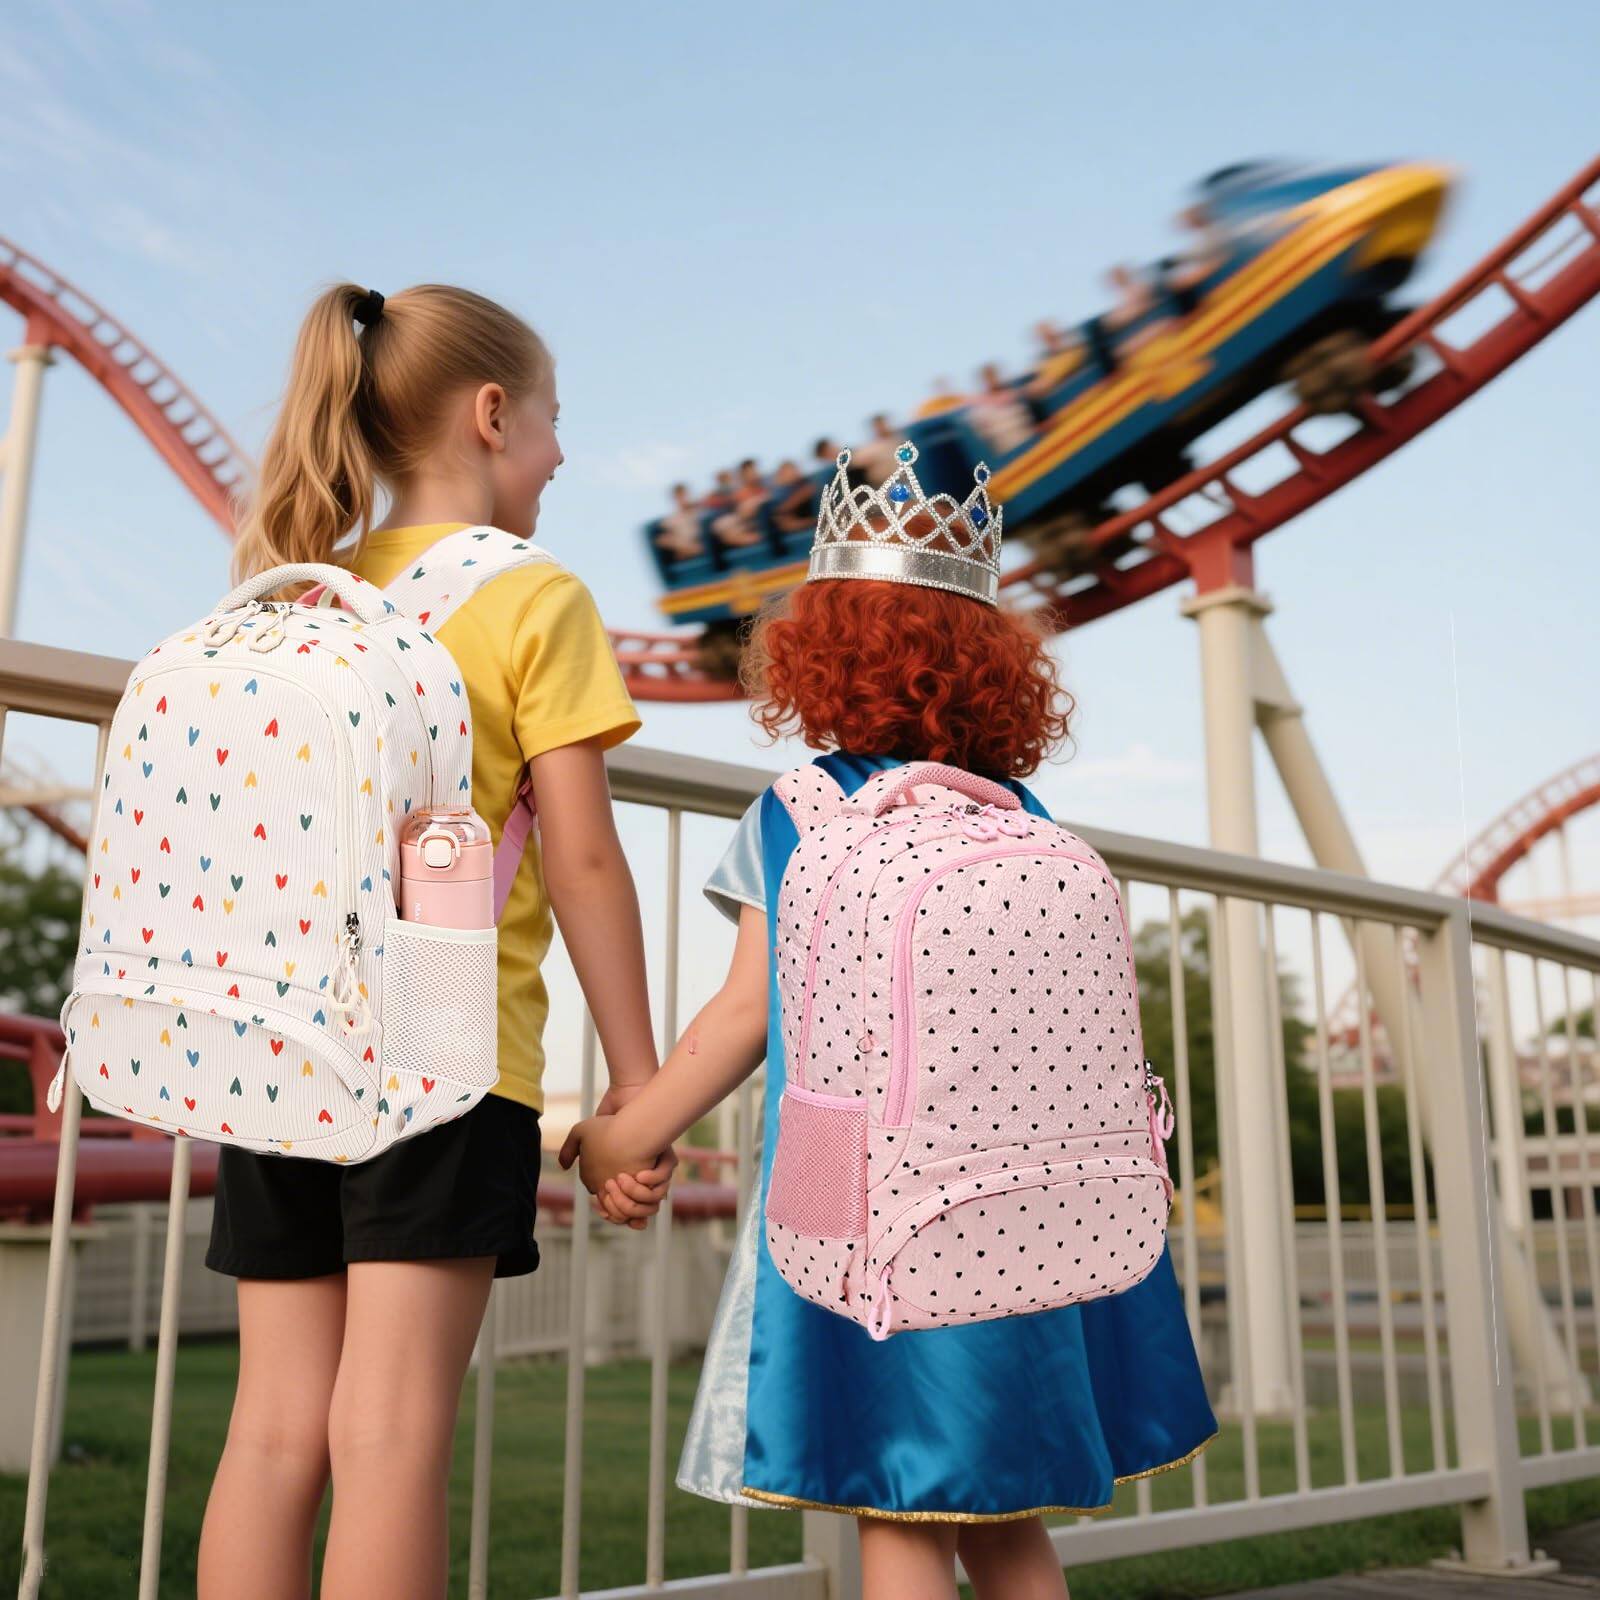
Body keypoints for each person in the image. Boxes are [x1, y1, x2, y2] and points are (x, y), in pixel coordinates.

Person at [559, 448, 1217, 1600]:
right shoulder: (1020, 812)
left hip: (874, 1220)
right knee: (1005, 1519)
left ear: (818, 652)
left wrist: (620, 1136)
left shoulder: (800, 810)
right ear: (989, 668)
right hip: (1039, 1215)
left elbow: (741, 1014)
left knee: (900, 1511)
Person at [201, 281, 672, 1600]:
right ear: (490, 413)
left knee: (274, 1428)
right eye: (553, 424)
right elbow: (579, 857)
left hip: (277, 1031)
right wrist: (636, 1080)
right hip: (439, 1025)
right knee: (391, 1432)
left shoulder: (298, 591)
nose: (563, 455)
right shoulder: (537, 597)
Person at [656, 481, 707, 560]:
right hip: (685, 544)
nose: (682, 499)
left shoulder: (700, 508)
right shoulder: (672, 518)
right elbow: (662, 539)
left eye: (684, 495)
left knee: (682, 550)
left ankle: (692, 550)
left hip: (701, 541)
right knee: (663, 540)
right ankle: (690, 550)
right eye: (679, 497)